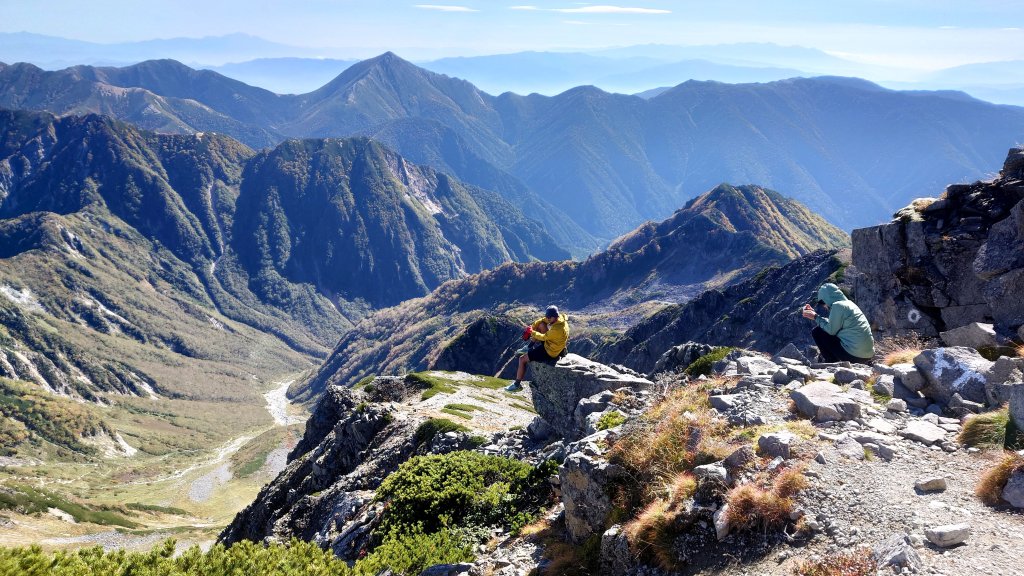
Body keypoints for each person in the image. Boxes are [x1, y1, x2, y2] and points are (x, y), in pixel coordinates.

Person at [801, 283, 874, 364]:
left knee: (818, 332)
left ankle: (831, 363)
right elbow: (834, 324)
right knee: (824, 330)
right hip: (868, 355)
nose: (824, 305)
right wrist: (815, 315)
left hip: (854, 356)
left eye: (822, 302)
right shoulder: (849, 304)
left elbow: (831, 330)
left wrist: (815, 317)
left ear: (827, 298)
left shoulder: (837, 306)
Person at [505, 306, 569, 392]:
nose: (547, 319)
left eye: (549, 317)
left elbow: (543, 337)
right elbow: (543, 320)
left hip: (550, 351)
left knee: (522, 359)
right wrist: (533, 326)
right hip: (553, 344)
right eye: (547, 317)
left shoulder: (558, 329)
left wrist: (531, 332)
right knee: (541, 325)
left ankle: (517, 385)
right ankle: (528, 347)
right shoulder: (559, 318)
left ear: (554, 317)